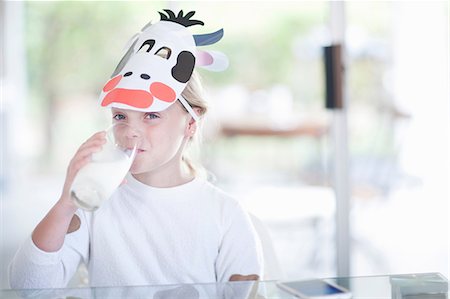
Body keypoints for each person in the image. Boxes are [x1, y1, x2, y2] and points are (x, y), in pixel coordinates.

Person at [9, 9, 263, 288]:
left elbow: (247, 293)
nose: (131, 131)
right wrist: (66, 204)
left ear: (191, 123)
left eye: (151, 115)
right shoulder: (94, 205)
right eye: (120, 116)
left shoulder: (225, 213)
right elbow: (29, 288)